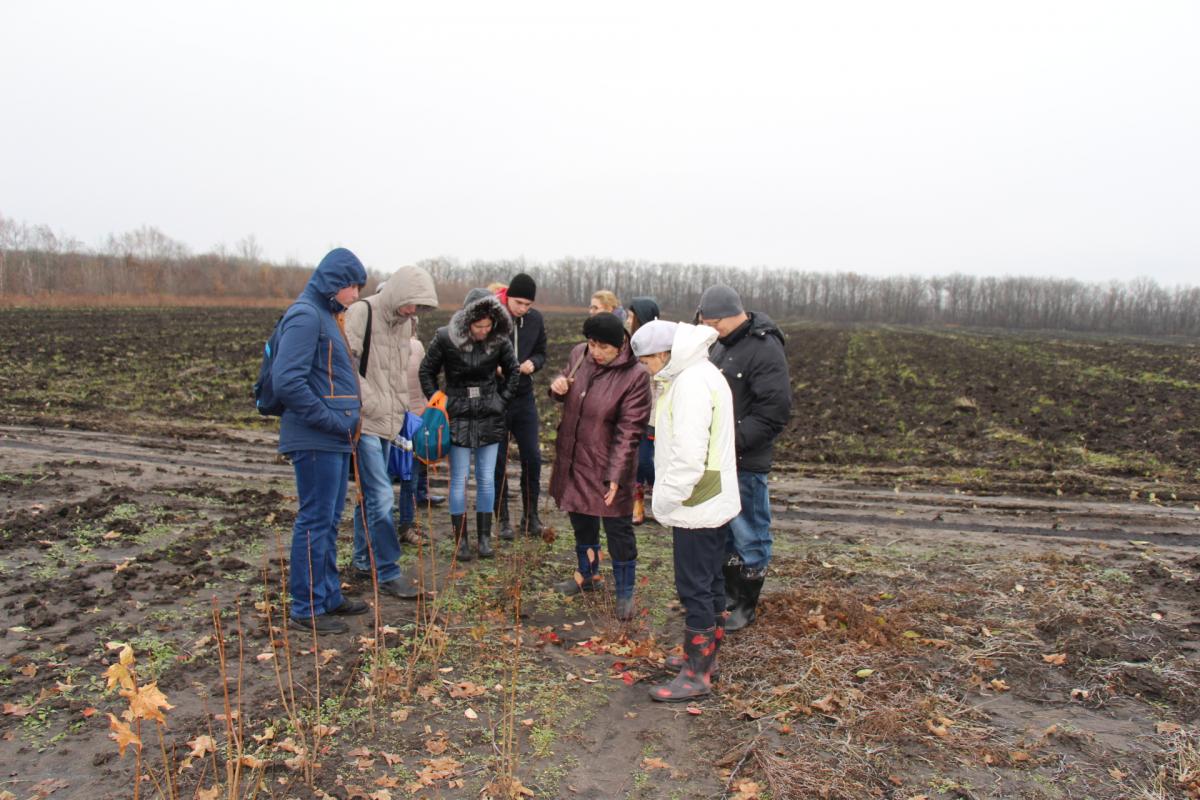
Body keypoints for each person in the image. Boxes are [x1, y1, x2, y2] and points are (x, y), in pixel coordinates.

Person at [630, 320, 740, 702]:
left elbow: (689, 457)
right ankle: (706, 659)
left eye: (645, 362)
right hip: (712, 498)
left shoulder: (691, 384)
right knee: (711, 582)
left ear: (663, 354)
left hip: (696, 500)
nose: (644, 369)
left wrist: (663, 500)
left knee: (694, 586)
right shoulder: (701, 373)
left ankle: (696, 674)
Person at [273, 247, 370, 634]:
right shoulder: (305, 316)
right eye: (353, 287)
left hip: (332, 437)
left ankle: (328, 594)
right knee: (314, 520)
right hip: (316, 437)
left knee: (329, 519)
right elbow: (287, 381)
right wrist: (331, 420)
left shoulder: (326, 315)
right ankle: (306, 606)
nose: (356, 296)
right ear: (334, 283)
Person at [696, 285, 792, 632]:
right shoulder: (721, 345)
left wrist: (731, 442)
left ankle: (746, 604)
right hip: (718, 459)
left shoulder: (764, 349)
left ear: (733, 314)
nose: (711, 328)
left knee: (749, 531)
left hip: (745, 460)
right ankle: (727, 596)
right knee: (722, 531)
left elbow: (775, 410)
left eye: (715, 322)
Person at [547, 313, 651, 620]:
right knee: (582, 520)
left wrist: (616, 475)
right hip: (574, 458)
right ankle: (588, 575)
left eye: (603, 347)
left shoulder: (635, 376)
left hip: (608, 465)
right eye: (592, 344)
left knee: (618, 529)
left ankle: (624, 592)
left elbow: (630, 431)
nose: (595, 352)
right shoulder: (579, 355)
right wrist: (557, 388)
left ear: (620, 345)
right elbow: (565, 386)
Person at [344, 267, 438, 599]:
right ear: (398, 293)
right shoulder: (362, 312)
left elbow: (399, 374)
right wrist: (369, 403)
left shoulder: (403, 326)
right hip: (366, 420)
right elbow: (346, 366)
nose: (413, 312)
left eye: (419, 307)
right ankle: (387, 571)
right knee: (383, 495)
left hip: (390, 421)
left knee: (370, 494)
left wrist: (400, 411)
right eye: (410, 304)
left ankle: (360, 560)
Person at [419, 289, 519, 561]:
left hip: (489, 413)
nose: (483, 331)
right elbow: (426, 371)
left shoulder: (500, 339)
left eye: (488, 325)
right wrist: (439, 401)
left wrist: (502, 401)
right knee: (459, 480)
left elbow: (514, 371)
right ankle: (460, 540)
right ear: (467, 321)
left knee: (487, 479)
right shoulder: (444, 338)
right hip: (458, 413)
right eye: (478, 326)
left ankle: (484, 539)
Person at [492, 273, 548, 540]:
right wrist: (496, 367)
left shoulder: (535, 320)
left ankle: (531, 516)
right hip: (497, 397)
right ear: (508, 297)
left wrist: (533, 364)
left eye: (528, 304)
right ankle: (502, 519)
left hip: (524, 396)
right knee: (498, 460)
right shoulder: (492, 315)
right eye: (518, 303)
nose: (523, 308)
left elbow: (542, 352)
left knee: (532, 457)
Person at [625, 297, 661, 525]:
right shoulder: (628, 344)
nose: (627, 320)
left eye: (630, 316)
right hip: (632, 413)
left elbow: (659, 384)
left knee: (648, 461)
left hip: (652, 415)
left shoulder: (657, 345)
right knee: (634, 461)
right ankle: (636, 503)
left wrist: (654, 416)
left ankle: (662, 500)